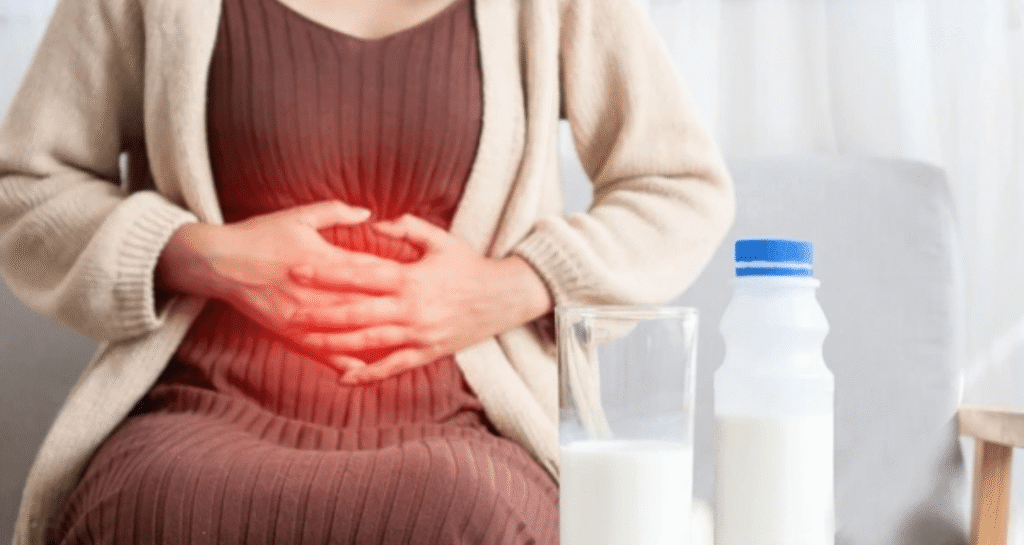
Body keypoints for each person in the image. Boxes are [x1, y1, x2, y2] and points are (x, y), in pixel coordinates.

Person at [0, 0, 734, 540]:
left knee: (463, 514)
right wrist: (199, 253)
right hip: (200, 407)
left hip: (466, 425)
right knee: (157, 508)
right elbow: (26, 187)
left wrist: (509, 286)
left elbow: (678, 184)